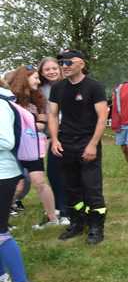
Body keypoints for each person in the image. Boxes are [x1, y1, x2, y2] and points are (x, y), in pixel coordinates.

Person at [49, 49, 109, 245]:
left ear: (81, 64)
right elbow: (52, 115)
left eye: (68, 62)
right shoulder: (58, 88)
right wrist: (55, 139)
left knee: (92, 187)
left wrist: (92, 144)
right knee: (71, 187)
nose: (63, 66)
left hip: (87, 142)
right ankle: (77, 222)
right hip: (66, 143)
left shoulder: (94, 87)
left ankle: (96, 227)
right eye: (61, 62)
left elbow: (102, 117)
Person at [0, 79, 38, 282]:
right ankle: (2, 277)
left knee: (0, 231)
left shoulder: (1, 105)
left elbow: (6, 140)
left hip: (4, 174)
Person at [8, 66, 60, 230]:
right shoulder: (10, 99)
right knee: (17, 185)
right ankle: (4, 221)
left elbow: (42, 122)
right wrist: (35, 122)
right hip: (12, 149)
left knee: (39, 182)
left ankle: (52, 218)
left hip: (31, 147)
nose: (39, 81)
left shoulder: (38, 99)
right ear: (24, 79)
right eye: (35, 78)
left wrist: (40, 122)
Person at [38, 57, 67, 222]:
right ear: (42, 72)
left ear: (60, 69)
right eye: (47, 69)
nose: (51, 72)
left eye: (54, 68)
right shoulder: (40, 90)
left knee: (67, 172)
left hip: (67, 133)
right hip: (49, 136)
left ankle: (67, 209)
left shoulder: (66, 85)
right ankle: (58, 207)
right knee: (53, 173)